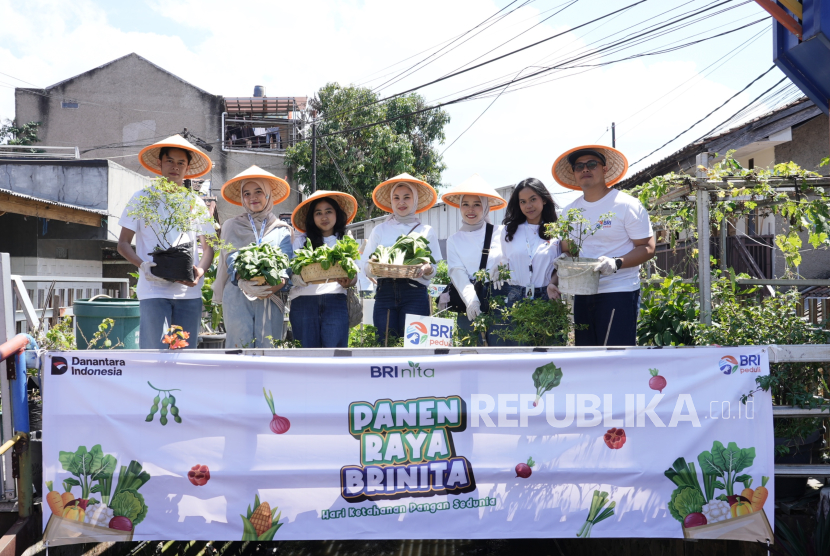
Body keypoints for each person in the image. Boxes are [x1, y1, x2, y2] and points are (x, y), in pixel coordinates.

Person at [552, 145, 655, 346]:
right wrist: (564, 259)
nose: (585, 169)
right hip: (583, 291)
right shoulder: (570, 212)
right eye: (579, 166)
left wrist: (616, 263)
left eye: (592, 164)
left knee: (616, 357)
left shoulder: (626, 204)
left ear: (604, 169)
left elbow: (647, 248)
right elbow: (569, 250)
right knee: (587, 356)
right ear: (574, 174)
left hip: (620, 290)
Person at [118, 135, 214, 349]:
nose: (175, 167)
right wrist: (142, 264)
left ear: (187, 167)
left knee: (184, 354)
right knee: (153, 353)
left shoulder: (195, 202)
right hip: (153, 290)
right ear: (160, 164)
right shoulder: (142, 198)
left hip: (189, 293)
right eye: (170, 161)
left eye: (181, 163)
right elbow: (123, 243)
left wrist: (200, 271)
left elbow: (208, 248)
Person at [214, 165, 294, 348]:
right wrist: (242, 280)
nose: (252, 198)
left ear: (267, 195)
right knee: (239, 347)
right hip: (237, 295)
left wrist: (272, 287)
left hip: (270, 296)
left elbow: (286, 266)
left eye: (258, 191)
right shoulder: (231, 225)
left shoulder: (282, 229)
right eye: (247, 194)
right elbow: (231, 259)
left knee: (268, 349)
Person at [361, 173, 441, 343]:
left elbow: (433, 269)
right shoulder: (379, 230)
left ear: (415, 200)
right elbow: (366, 267)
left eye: (407, 197)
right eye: (396, 198)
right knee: (385, 345)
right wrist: (375, 265)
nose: (401, 202)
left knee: (416, 349)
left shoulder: (426, 230)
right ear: (391, 201)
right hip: (385, 293)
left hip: (415, 293)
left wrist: (427, 269)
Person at [440, 175, 506, 346]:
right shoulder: (454, 240)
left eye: (477, 204)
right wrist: (472, 300)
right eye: (465, 204)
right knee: (469, 353)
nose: (471, 209)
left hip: (499, 301)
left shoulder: (501, 232)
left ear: (485, 207)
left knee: (502, 350)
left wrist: (502, 265)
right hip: (467, 302)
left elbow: (512, 257)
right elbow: (457, 272)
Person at [288, 190, 358, 348]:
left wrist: (350, 281)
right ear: (312, 218)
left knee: (335, 357)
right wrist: (299, 278)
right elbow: (291, 272)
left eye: (328, 211)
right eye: (318, 213)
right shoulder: (302, 241)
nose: (324, 217)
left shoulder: (345, 239)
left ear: (336, 214)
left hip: (336, 301)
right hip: (303, 302)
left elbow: (355, 273)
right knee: (306, 359)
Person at [496, 177, 561, 305]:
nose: (528, 206)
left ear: (544, 199)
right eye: (523, 202)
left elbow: (562, 266)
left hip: (547, 295)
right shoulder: (509, 231)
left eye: (533, 199)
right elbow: (504, 260)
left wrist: (553, 283)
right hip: (515, 296)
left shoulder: (556, 231)